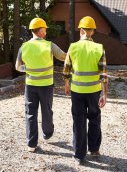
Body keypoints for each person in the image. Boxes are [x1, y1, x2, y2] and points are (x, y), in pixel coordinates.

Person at [16, 17, 66, 152]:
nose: (46, 32)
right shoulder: (49, 45)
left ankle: (31, 144)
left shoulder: (24, 47)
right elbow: (63, 57)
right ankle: (47, 134)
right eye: (45, 30)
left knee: (30, 113)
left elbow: (17, 67)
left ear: (32, 30)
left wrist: (29, 69)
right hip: (46, 85)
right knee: (47, 111)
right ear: (42, 31)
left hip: (31, 85)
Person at [63, 16, 108, 165]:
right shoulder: (99, 48)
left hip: (77, 91)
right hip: (94, 91)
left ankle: (79, 155)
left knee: (79, 121)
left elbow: (66, 69)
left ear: (81, 30)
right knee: (94, 118)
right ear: (93, 31)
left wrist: (66, 84)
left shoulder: (73, 47)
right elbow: (103, 74)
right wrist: (104, 94)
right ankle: (94, 149)